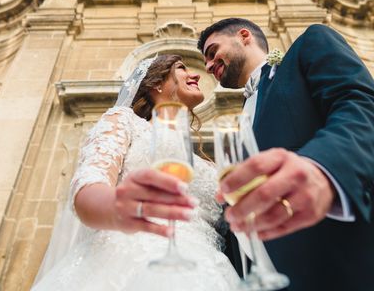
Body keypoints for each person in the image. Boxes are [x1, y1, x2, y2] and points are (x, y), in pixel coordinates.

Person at [198, 18, 374, 291]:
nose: (208, 65)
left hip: (365, 267)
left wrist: (322, 167)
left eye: (212, 51)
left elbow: (359, 107)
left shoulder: (308, 46)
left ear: (244, 36)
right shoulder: (241, 120)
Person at [32, 54, 240, 290]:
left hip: (212, 268)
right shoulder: (123, 121)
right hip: (134, 256)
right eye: (182, 68)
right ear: (156, 83)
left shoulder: (206, 164)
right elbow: (89, 186)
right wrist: (118, 206)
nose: (195, 74)